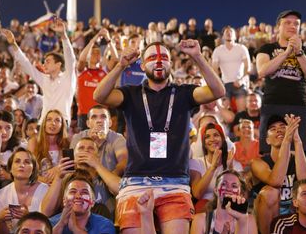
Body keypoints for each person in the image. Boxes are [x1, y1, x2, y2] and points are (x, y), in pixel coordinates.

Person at [93, 39, 225, 233]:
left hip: (175, 182)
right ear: (143, 64)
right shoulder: (131, 94)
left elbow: (218, 91)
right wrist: (121, 65)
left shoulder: (184, 93)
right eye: (152, 57)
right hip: (136, 182)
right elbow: (99, 96)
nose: (159, 61)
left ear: (171, 64)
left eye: (164, 57)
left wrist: (197, 56)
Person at [256, 10, 306, 154]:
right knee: (269, 152)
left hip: (298, 106)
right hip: (272, 104)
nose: (292, 26)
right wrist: (286, 52)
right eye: (287, 22)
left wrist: (298, 52)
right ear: (278, 26)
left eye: (296, 23)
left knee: (297, 151)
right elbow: (263, 71)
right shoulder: (267, 49)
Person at [1, 18, 77, 124]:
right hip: (43, 124)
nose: (44, 64)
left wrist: (63, 35)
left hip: (62, 123)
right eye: (44, 61)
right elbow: (27, 64)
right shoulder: (44, 79)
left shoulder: (68, 77)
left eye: (48, 61)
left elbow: (70, 58)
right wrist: (14, 44)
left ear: (58, 64)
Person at [251, 115, 306, 234]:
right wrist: (287, 140)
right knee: (270, 193)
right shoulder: (258, 163)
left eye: (283, 127)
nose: (278, 130)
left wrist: (297, 140)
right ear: (267, 140)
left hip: (293, 213)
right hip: (268, 216)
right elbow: (276, 181)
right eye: (273, 129)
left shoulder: (304, 160)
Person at [189, 123, 242, 213]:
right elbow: (197, 194)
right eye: (207, 137)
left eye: (216, 135)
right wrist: (213, 167)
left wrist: (228, 169)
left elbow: (240, 193)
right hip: (204, 205)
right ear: (203, 143)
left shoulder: (235, 165)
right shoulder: (196, 163)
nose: (212, 139)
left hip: (228, 203)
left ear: (223, 139)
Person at [0, 148, 49, 234]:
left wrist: (29, 217)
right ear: (10, 168)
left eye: (27, 162)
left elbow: (48, 227)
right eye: (17, 161)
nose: (22, 165)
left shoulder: (45, 190)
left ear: (33, 169)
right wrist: (1, 221)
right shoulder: (0, 195)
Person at [190, 169, 257, 233]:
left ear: (241, 194)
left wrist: (241, 221)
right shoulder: (200, 220)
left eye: (234, 186)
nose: (229, 189)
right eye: (224, 184)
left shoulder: (248, 220)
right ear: (215, 190)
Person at [76, 28, 117, 130]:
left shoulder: (105, 72)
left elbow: (115, 59)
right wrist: (94, 39)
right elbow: (81, 59)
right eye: (93, 52)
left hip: (101, 114)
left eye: (98, 52)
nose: (96, 54)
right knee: (85, 143)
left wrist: (107, 38)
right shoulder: (82, 71)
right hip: (85, 114)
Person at [70, 105, 127, 177]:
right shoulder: (78, 137)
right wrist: (91, 142)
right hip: (83, 179)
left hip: (110, 180)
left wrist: (110, 179)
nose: (99, 121)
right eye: (94, 117)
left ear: (110, 123)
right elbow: (71, 163)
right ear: (88, 123)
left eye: (103, 117)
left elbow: (124, 162)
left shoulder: (118, 138)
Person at [49, 174, 115, 234]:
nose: (78, 196)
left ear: (93, 202)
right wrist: (61, 224)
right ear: (64, 200)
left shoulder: (104, 225)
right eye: (73, 191)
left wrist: (75, 228)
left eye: (84, 192)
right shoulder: (50, 223)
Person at [212, 26, 251, 113]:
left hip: (240, 84)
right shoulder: (218, 50)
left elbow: (248, 67)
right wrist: (219, 83)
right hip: (224, 84)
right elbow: (214, 69)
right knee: (224, 112)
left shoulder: (242, 48)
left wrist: (242, 80)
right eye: (226, 32)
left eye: (231, 32)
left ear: (235, 36)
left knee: (242, 112)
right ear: (223, 36)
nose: (229, 33)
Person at [28, 110, 70, 184]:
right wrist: (43, 180)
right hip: (39, 183)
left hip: (61, 183)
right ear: (44, 124)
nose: (53, 123)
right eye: (49, 120)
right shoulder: (34, 142)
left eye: (57, 120)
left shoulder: (68, 143)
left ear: (62, 125)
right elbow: (29, 170)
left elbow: (70, 169)